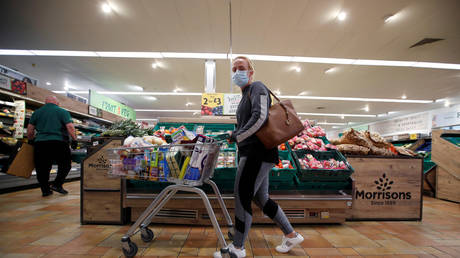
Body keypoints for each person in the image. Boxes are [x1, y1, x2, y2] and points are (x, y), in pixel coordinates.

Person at [214, 57, 304, 258]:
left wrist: (237, 136)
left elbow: (260, 117)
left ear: (251, 72)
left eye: (242, 68)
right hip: (258, 152)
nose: (238, 72)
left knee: (242, 196)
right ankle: (291, 234)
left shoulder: (257, 87)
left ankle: (237, 248)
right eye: (234, 69)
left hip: (257, 152)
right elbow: (249, 121)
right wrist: (234, 134)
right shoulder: (245, 94)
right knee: (260, 197)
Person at [27, 96, 77, 196]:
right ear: (57, 103)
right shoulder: (62, 111)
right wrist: (74, 139)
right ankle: (57, 184)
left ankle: (45, 190)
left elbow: (30, 129)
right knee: (65, 165)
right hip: (59, 142)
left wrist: (31, 140)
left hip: (40, 143)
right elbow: (70, 127)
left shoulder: (37, 112)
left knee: (42, 168)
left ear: (46, 102)